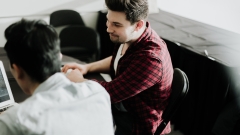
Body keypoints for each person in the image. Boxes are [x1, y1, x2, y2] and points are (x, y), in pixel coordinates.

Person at [62, 0, 173, 134]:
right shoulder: (132, 36)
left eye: (116, 24)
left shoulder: (151, 59)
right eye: (108, 20)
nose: (108, 28)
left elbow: (109, 94)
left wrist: (79, 80)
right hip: (126, 105)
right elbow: (118, 60)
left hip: (137, 124)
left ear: (138, 25)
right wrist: (87, 68)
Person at [0, 19, 114, 135]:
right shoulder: (98, 92)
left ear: (18, 70)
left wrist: (7, 120)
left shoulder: (16, 120)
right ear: (59, 57)